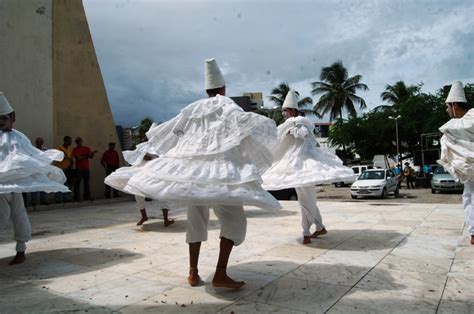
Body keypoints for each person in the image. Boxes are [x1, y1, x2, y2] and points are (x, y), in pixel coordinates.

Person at [118, 59, 280, 289]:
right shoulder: (227, 104)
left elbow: (172, 130)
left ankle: (193, 273)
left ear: (207, 90)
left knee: (196, 221)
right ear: (223, 89)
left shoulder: (193, 108)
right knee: (235, 221)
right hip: (221, 174)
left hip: (193, 175)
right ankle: (220, 274)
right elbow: (241, 125)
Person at [262, 91, 355, 244]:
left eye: (285, 110)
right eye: (282, 111)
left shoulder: (299, 122)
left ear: (292, 110)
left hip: (304, 165)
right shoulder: (287, 125)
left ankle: (306, 232)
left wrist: (294, 130)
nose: (283, 113)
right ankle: (319, 226)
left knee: (306, 201)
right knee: (306, 200)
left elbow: (305, 135)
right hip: (294, 164)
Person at [0, 92, 69, 265]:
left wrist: (42, 162)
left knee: (19, 215)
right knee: (2, 216)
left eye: (5, 118)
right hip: (1, 185)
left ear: (12, 118)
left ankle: (21, 249)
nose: (2, 121)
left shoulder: (19, 136)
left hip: (16, 184)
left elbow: (30, 154)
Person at [437, 81, 474, 245]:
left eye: (447, 107)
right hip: (470, 176)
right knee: (469, 195)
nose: (446, 111)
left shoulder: (465, 122)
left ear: (453, 105)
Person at [73, 137, 97, 201]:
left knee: (86, 183)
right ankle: (76, 197)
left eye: (80, 141)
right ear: (76, 142)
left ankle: (87, 197)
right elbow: (79, 158)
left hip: (86, 168)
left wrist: (92, 153)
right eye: (78, 141)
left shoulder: (86, 148)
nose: (79, 142)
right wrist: (87, 155)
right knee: (77, 182)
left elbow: (91, 157)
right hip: (79, 168)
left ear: (81, 141)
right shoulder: (75, 149)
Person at [54, 136, 75, 203]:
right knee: (59, 183)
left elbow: (71, 159)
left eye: (70, 141)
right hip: (60, 169)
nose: (70, 142)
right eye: (69, 141)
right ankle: (58, 199)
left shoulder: (70, 149)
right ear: (65, 141)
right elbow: (57, 158)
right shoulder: (59, 148)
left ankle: (66, 198)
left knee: (67, 184)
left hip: (68, 169)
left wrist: (71, 167)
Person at [30, 137, 49, 205]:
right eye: (38, 142)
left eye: (41, 142)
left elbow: (48, 159)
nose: (39, 143)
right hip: (35, 170)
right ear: (36, 142)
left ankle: (43, 200)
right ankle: (33, 200)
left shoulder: (45, 150)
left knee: (43, 184)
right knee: (35, 185)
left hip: (43, 170)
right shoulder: (32, 150)